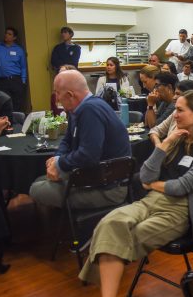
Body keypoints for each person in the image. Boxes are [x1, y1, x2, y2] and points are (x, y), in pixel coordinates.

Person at [71, 91, 193, 297]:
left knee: (123, 236)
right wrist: (164, 145)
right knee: (110, 222)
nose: (174, 114)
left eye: (180, 110)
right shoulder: (176, 140)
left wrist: (153, 184)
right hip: (152, 201)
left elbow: (183, 186)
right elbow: (145, 174)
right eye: (175, 109)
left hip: (180, 212)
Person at [29, 70, 131, 210]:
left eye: (57, 93)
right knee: (42, 180)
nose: (56, 98)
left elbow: (89, 155)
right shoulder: (79, 108)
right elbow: (67, 140)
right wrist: (57, 158)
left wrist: (60, 163)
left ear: (70, 95)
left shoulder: (90, 110)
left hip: (109, 188)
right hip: (96, 177)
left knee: (36, 188)